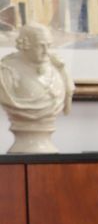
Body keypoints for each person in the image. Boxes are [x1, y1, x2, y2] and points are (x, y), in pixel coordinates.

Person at [0, 23, 73, 154]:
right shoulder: (6, 71)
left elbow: (66, 100)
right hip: (22, 147)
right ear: (25, 45)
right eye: (41, 45)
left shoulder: (57, 70)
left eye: (49, 45)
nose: (46, 51)